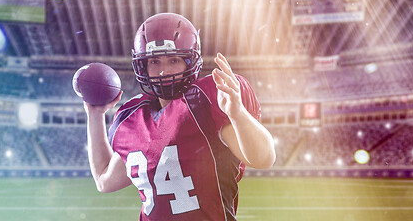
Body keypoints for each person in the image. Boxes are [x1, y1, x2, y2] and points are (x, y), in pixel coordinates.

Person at [84, 13, 275, 220]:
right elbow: (104, 180)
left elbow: (263, 158)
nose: (164, 71)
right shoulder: (132, 117)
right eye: (154, 61)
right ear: (143, 66)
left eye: (174, 60)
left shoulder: (206, 101)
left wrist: (238, 115)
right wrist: (95, 115)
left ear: (190, 62)